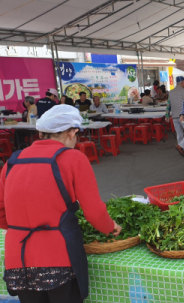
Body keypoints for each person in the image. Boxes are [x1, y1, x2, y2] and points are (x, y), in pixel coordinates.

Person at [0, 105, 122, 303]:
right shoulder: (73, 158)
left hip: (18, 257)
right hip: (57, 256)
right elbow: (94, 211)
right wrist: (110, 226)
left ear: (41, 133)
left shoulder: (13, 161)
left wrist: (20, 228)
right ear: (71, 132)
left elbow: (1, 211)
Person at [166, 76, 184, 157]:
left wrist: (167, 115)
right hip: (183, 116)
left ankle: (181, 149)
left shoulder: (171, 92)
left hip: (174, 116)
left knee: (179, 134)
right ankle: (181, 146)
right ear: (182, 82)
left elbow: (168, 104)